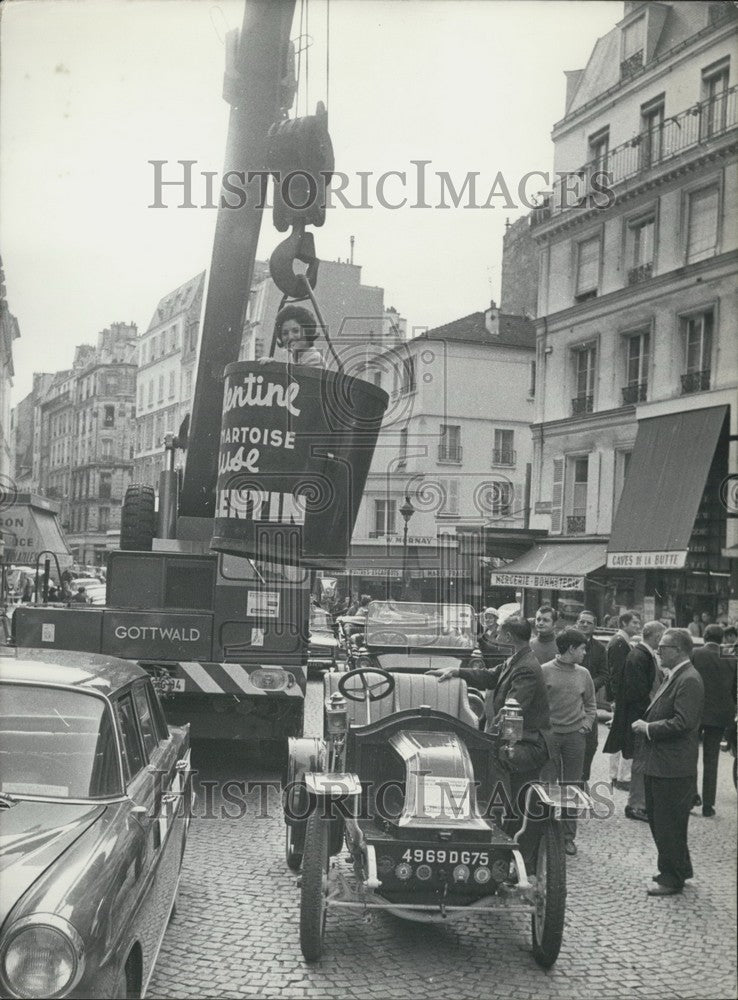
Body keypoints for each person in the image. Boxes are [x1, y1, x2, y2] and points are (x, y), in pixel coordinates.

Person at [428, 617, 552, 866]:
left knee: (515, 797)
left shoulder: (526, 667)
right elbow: (491, 676)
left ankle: (515, 853)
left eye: (500, 633)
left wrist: (485, 737)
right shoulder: (518, 658)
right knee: (513, 799)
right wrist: (456, 671)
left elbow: (512, 710)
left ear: (508, 637)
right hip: (519, 740)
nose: (496, 636)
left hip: (527, 744)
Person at [632, 628, 704, 896]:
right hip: (664, 764)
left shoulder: (689, 679)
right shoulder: (677, 675)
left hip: (672, 768)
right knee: (664, 820)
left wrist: (648, 728)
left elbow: (683, 722)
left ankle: (671, 878)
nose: (658, 651)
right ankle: (680, 869)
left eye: (663, 647)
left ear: (679, 650)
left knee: (667, 824)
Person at [540, 628, 596, 856]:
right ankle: (542, 834)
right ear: (571, 649)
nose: (585, 653)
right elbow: (536, 704)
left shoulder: (584, 674)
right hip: (550, 737)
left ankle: (567, 837)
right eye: (582, 648)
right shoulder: (544, 671)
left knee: (572, 787)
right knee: (546, 785)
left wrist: (586, 725)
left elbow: (590, 704)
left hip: (575, 738)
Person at [604, 621, 665, 822]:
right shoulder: (640, 656)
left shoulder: (641, 654)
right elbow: (637, 692)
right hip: (639, 717)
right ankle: (636, 805)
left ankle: (638, 803)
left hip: (639, 716)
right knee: (639, 761)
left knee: (640, 760)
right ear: (657, 637)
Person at [693, 625, 735, 818]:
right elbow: (735, 688)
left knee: (690, 755)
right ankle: (708, 805)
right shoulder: (730, 656)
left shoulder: (696, 653)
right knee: (712, 760)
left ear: (705, 636)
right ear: (722, 638)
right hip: (719, 715)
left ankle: (692, 796)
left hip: (696, 711)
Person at [605, 610, 642, 789]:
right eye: (634, 622)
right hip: (622, 698)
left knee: (618, 735)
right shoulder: (620, 643)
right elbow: (616, 675)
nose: (638, 626)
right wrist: (616, 699)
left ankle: (616, 775)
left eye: (638, 623)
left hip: (621, 698)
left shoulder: (622, 641)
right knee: (622, 735)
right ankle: (620, 777)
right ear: (624, 623)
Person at [575, 610, 607, 783]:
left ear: (594, 626)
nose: (585, 625)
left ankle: (583, 780)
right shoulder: (567, 643)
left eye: (589, 622)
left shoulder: (600, 649)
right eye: (582, 621)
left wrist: (588, 686)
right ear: (577, 623)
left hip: (588, 702)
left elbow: (604, 674)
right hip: (568, 700)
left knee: (591, 743)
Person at [259, 305, 325, 368]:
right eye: (285, 333)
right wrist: (272, 366)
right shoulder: (294, 358)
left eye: (296, 331)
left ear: (307, 332)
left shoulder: (315, 359)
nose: (290, 337)